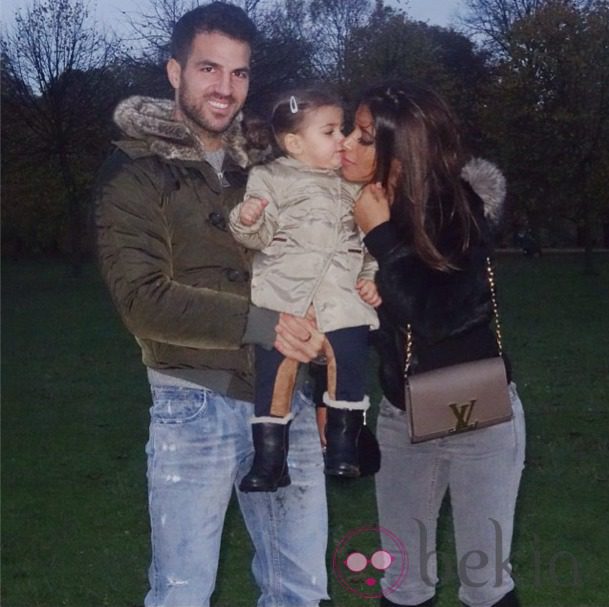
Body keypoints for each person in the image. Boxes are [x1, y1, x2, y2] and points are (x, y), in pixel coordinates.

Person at [93, 4, 330, 606]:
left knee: (301, 591)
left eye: (239, 72)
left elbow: (317, 268)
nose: (225, 87)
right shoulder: (134, 173)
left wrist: (331, 379)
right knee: (182, 593)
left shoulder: (274, 166)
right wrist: (267, 324)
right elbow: (143, 299)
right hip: (193, 402)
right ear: (175, 72)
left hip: (288, 398)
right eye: (209, 69)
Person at [341, 81, 526, 607]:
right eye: (350, 130)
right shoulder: (346, 209)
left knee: (485, 583)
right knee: (402, 582)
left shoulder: (457, 213)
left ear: (401, 155)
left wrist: (382, 237)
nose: (345, 144)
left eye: (363, 137)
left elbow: (439, 317)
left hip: (479, 414)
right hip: (403, 415)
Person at [229, 87, 381, 490]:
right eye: (329, 132)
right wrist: (247, 219)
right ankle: (269, 460)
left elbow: (371, 244)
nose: (342, 139)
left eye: (342, 129)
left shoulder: (353, 185)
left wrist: (369, 277)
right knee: (274, 376)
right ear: (295, 143)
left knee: (348, 365)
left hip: (341, 298)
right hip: (286, 300)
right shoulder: (270, 177)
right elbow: (258, 237)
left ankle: (343, 448)